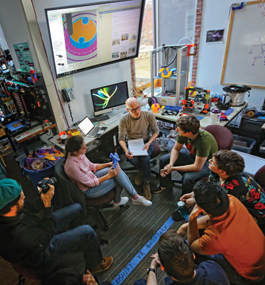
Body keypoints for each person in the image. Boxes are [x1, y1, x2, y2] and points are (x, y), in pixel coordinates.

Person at [0, 178, 113, 274]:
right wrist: (47, 204)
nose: (24, 198)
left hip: (38, 232)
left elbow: (29, 207)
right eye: (21, 198)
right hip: (40, 252)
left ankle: (77, 240)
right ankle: (95, 265)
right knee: (87, 231)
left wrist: (43, 197)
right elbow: (47, 234)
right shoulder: (17, 235)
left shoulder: (8, 210)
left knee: (76, 207)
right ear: (12, 206)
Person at [177, 181, 265, 285]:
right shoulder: (231, 200)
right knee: (190, 224)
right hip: (259, 257)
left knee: (188, 247)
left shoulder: (215, 237)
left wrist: (192, 218)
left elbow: (193, 244)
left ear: (200, 209)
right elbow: (212, 219)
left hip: (248, 276)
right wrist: (185, 226)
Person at [180, 150, 265, 231]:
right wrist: (194, 194)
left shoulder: (233, 188)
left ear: (222, 172)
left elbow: (221, 209)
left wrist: (196, 202)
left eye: (212, 162)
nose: (209, 161)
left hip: (254, 214)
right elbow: (209, 187)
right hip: (232, 203)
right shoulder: (216, 172)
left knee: (206, 222)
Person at [64, 135, 152, 207]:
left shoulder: (79, 154)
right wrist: (109, 175)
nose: (86, 148)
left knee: (116, 169)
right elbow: (90, 183)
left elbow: (91, 166)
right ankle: (131, 198)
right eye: (83, 147)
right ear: (75, 152)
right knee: (117, 178)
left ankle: (130, 198)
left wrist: (108, 164)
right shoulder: (72, 166)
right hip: (89, 190)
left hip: (92, 176)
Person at [133, 229, 229, 285]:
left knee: (139, 283)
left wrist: (152, 268)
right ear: (193, 255)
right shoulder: (212, 267)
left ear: (162, 267)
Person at [157, 115, 218, 194]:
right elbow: (176, 149)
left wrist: (173, 168)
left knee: (188, 178)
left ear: (189, 133)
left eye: (179, 129)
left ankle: (185, 199)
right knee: (164, 160)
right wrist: (170, 164)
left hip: (208, 162)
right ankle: (165, 186)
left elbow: (197, 167)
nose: (176, 130)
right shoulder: (183, 133)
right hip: (194, 155)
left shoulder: (204, 141)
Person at [119, 97, 159, 200]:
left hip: (145, 141)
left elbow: (156, 132)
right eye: (133, 109)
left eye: (138, 108)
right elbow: (121, 139)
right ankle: (143, 170)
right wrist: (126, 150)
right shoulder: (124, 119)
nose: (137, 111)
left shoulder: (148, 115)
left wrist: (149, 142)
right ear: (128, 110)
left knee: (145, 159)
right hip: (131, 143)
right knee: (132, 158)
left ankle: (146, 182)